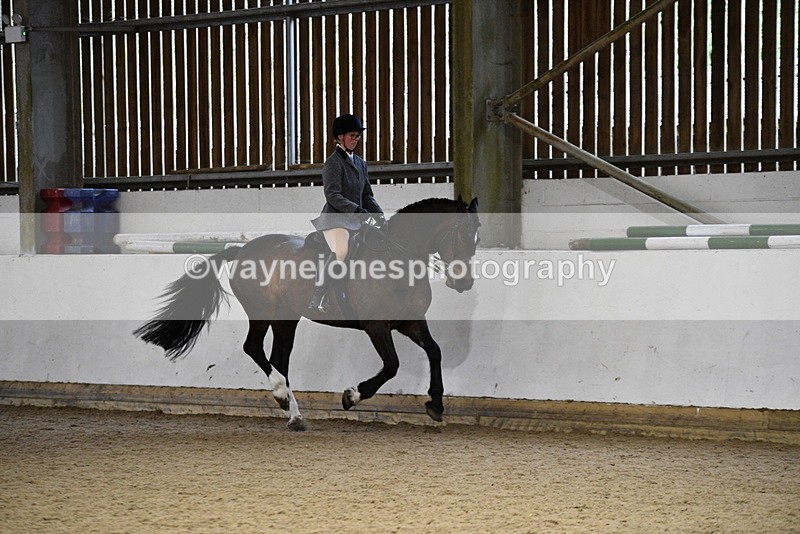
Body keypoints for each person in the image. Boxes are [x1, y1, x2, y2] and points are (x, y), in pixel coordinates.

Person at [308, 114, 385, 313]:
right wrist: (356, 210)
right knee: (341, 251)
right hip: (336, 220)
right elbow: (332, 195)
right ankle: (319, 295)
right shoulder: (333, 163)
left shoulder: (361, 163)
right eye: (352, 135)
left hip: (356, 220)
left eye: (358, 136)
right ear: (340, 137)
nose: (356, 139)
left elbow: (367, 194)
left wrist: (379, 214)